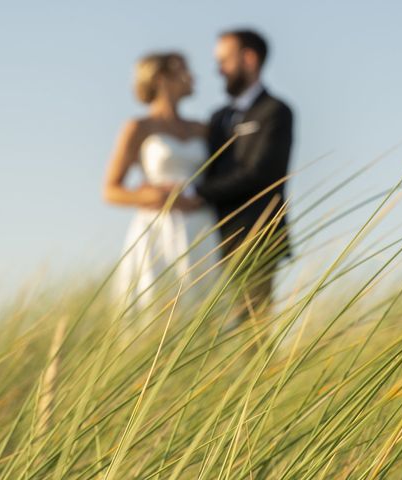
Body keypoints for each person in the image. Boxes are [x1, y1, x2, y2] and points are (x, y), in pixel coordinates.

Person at [103, 52, 220, 310]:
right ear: (161, 78)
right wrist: (151, 196)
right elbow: (111, 190)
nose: (192, 77)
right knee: (157, 302)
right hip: (157, 226)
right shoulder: (139, 127)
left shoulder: (203, 129)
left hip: (199, 224)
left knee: (202, 304)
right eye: (183, 70)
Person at [196, 30, 293, 318]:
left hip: (255, 237)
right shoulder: (217, 118)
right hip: (207, 236)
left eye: (224, 60)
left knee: (252, 328)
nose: (219, 69)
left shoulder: (275, 111)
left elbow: (260, 173)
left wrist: (195, 194)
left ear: (249, 59)